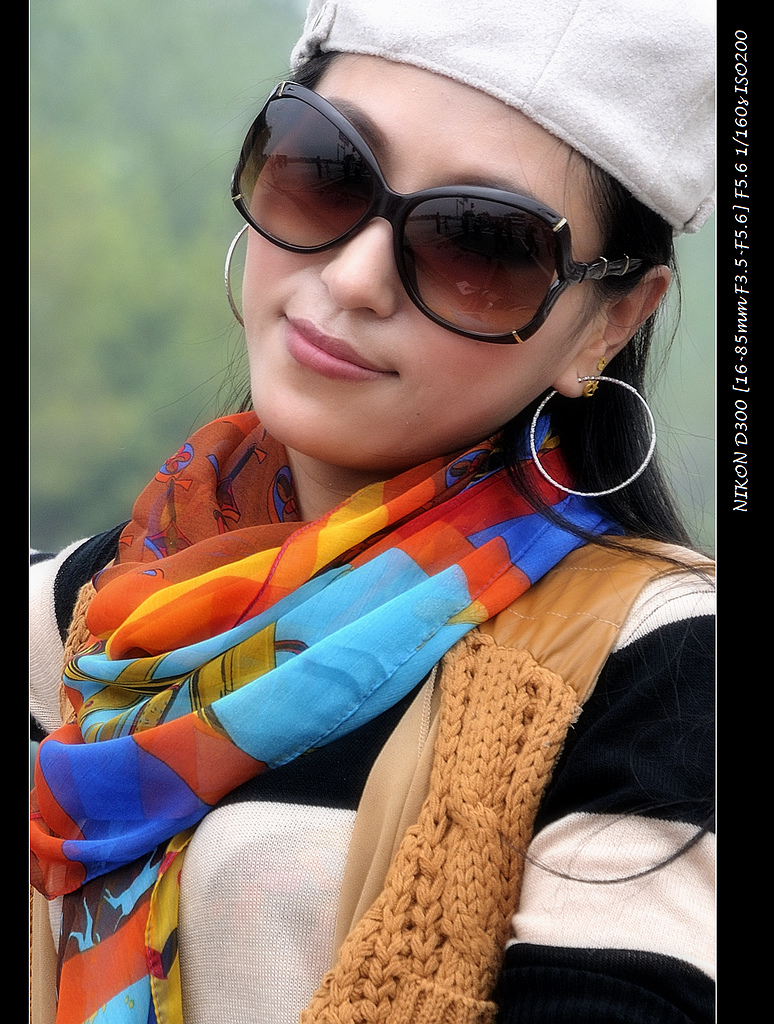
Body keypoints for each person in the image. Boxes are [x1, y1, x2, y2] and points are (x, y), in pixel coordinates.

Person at [30, 1, 715, 1022]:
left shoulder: (659, 670)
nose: (353, 278)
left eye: (479, 244)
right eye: (327, 171)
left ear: (609, 322)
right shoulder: (65, 624)